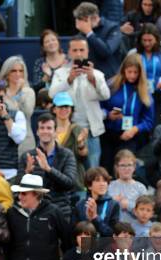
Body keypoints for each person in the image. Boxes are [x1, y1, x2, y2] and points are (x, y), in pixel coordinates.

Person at [49, 36, 111, 169]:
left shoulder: (97, 74)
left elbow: (106, 95)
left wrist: (93, 79)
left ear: (87, 52)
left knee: (93, 170)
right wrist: (69, 79)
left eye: (82, 50)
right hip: (68, 131)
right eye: (75, 50)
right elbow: (52, 94)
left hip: (91, 131)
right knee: (68, 168)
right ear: (69, 52)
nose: (78, 54)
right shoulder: (60, 73)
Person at [7, 174, 71, 260]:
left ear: (36, 194)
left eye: (24, 193)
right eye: (19, 193)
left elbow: (67, 242)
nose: (19, 197)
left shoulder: (54, 212)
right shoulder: (11, 213)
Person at [101, 53, 154, 173]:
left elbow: (149, 121)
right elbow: (100, 107)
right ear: (123, 70)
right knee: (107, 168)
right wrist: (109, 115)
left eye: (136, 72)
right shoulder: (111, 86)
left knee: (125, 170)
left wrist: (135, 129)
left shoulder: (144, 90)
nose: (132, 76)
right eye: (129, 72)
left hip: (131, 135)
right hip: (109, 134)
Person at [17, 113, 77, 220]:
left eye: (49, 128)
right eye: (42, 128)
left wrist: (48, 169)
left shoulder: (67, 155)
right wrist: (27, 173)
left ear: (55, 131)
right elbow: (18, 190)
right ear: (37, 132)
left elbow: (70, 183)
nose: (45, 131)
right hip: (35, 211)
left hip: (61, 211)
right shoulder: (27, 156)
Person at [128, 23, 161, 117]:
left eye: (150, 40)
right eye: (144, 40)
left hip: (159, 95)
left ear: (156, 39)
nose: (147, 43)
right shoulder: (134, 53)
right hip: (140, 95)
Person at [73, 2, 122, 79]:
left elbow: (106, 51)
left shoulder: (113, 28)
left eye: (85, 21)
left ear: (95, 17)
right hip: (89, 78)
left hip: (110, 77)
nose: (82, 25)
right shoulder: (82, 33)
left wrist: (89, 33)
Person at [51, 92, 89, 194]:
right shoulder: (48, 129)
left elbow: (84, 156)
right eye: (60, 107)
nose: (64, 109)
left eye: (67, 106)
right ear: (54, 109)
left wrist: (81, 143)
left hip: (74, 180)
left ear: (71, 109)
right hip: (53, 181)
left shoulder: (77, 129)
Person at [0, 56, 36, 156]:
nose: (18, 74)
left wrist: (21, 91)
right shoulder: (0, 93)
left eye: (21, 71)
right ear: (7, 73)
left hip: (25, 142)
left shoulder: (28, 92)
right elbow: (4, 114)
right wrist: (14, 92)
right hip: (4, 142)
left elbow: (27, 113)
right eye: (13, 71)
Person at [73, 167, 121, 237]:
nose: (102, 184)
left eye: (105, 181)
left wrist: (95, 218)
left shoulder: (113, 205)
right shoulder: (80, 205)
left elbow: (113, 234)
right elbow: (75, 233)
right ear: (89, 186)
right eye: (97, 180)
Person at [108, 150, 147, 223]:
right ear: (116, 167)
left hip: (134, 230)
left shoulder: (141, 187)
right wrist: (112, 202)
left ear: (134, 167)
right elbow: (103, 210)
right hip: (114, 228)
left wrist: (128, 205)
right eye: (122, 165)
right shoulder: (109, 186)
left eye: (129, 165)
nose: (126, 169)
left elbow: (146, 212)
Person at [32, 30, 69, 94]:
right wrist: (47, 76)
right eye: (47, 42)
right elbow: (35, 88)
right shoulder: (40, 62)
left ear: (58, 42)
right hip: (47, 98)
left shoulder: (68, 59)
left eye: (53, 40)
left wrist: (62, 72)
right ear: (43, 47)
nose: (51, 43)